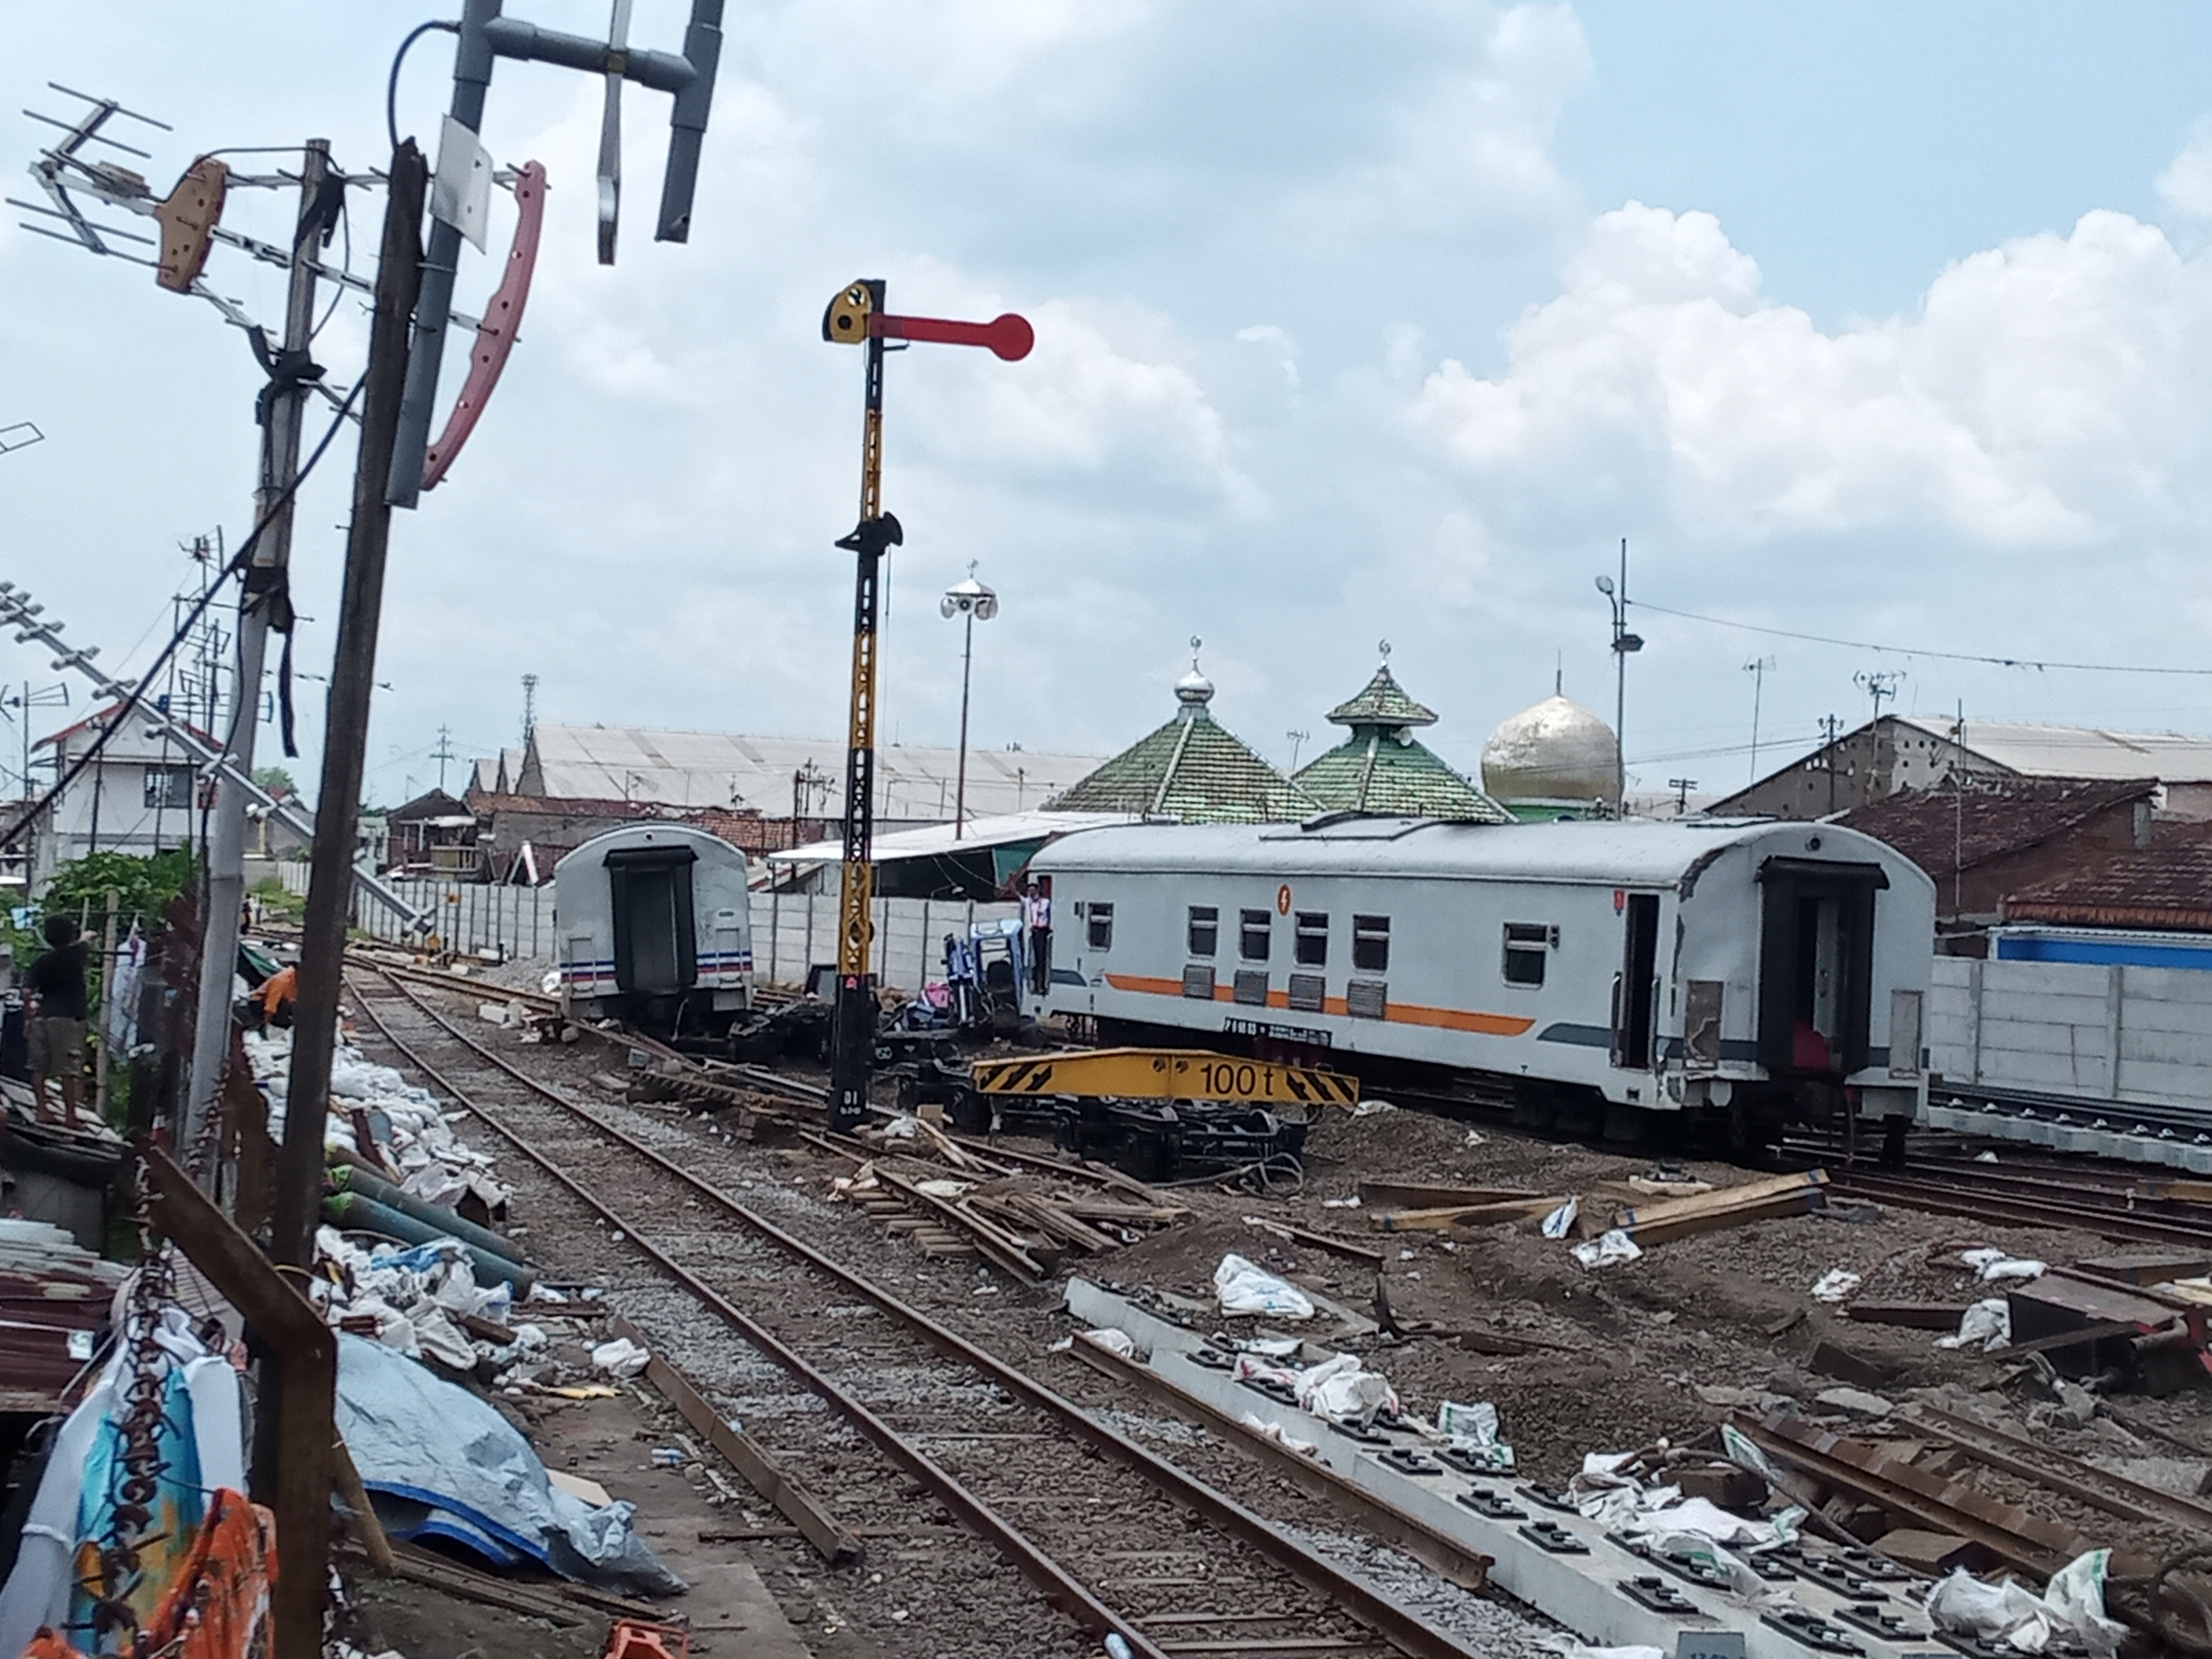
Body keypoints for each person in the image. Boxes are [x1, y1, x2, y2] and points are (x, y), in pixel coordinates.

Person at [26, 915, 89, 1130]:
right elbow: (88, 938)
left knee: (38, 1067)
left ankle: (42, 1109)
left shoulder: (41, 962)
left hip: (42, 1016)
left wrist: (28, 1018)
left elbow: (27, 992)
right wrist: (86, 935)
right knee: (68, 1069)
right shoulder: (76, 954)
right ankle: (70, 1116)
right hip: (66, 1018)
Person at [1023, 878, 1052, 996]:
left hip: (1042, 931)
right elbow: (1016, 895)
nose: (1031, 893)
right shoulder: (1027, 902)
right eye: (1030, 891)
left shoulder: (1045, 902)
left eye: (1033, 891)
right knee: (1033, 960)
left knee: (1042, 960)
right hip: (1033, 932)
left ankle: (1042, 985)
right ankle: (1034, 985)